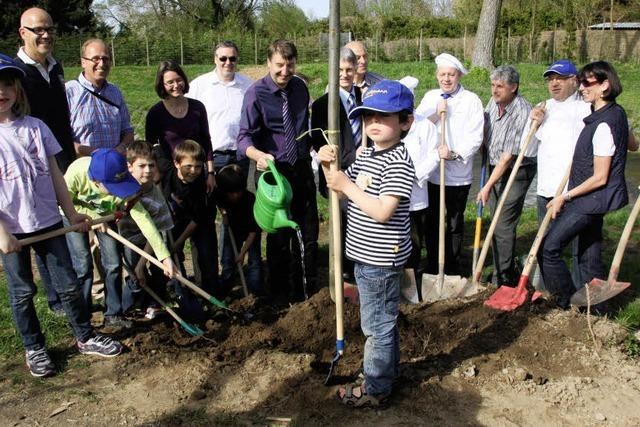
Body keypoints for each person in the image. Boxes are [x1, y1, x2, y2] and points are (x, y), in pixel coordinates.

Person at [0, 55, 122, 377]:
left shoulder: (36, 128)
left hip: (49, 222)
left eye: (7, 84)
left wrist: (71, 214)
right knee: (22, 291)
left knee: (68, 285)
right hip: (12, 229)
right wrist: (2, 234)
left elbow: (55, 175)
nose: (2, 91)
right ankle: (34, 347)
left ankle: (84, 335)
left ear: (17, 89)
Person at [317, 80, 415, 407]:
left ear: (405, 122)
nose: (373, 123)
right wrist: (328, 163)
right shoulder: (369, 155)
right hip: (365, 257)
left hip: (381, 259)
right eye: (368, 116)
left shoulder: (398, 162)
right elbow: (339, 186)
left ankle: (375, 389)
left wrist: (346, 183)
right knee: (381, 321)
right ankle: (385, 374)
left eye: (383, 117)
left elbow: (383, 211)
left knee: (377, 326)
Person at [538, 61, 629, 309]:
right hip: (597, 199)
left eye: (588, 82)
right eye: (581, 81)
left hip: (589, 201)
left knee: (549, 248)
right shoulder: (616, 113)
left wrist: (564, 197)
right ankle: (598, 312)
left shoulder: (602, 124)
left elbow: (600, 176)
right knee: (590, 260)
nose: (582, 87)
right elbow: (632, 143)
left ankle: (567, 303)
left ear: (605, 85)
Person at [237, 40, 318, 302]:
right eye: (280, 65)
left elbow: (304, 127)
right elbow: (243, 138)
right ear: (269, 63)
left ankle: (308, 295)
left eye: (290, 65)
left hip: (301, 169)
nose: (285, 71)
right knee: (279, 240)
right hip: (274, 174)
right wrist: (258, 155)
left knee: (308, 235)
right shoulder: (255, 94)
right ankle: (280, 299)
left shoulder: (300, 89)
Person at [64, 149, 176, 328]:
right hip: (74, 218)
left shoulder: (122, 179)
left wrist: (165, 257)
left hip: (106, 218)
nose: (120, 192)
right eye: (115, 189)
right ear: (96, 181)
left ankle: (113, 313)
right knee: (83, 265)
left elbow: (145, 221)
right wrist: (89, 216)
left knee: (113, 262)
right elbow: (63, 204)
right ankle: (81, 317)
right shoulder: (76, 174)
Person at [15, 7, 77, 315]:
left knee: (57, 225)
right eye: (38, 29)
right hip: (28, 167)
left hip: (59, 156)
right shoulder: (15, 72)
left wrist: (68, 155)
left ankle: (66, 294)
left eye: (49, 29)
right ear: (22, 32)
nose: (46, 35)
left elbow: (61, 118)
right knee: (35, 230)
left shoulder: (56, 67)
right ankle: (53, 299)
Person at [414, 53, 484, 276]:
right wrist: (436, 113)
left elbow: (475, 137)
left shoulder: (471, 100)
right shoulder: (430, 97)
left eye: (451, 75)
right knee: (432, 221)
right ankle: (434, 263)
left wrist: (453, 153)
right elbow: (417, 126)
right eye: (443, 74)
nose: (446, 79)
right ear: (437, 76)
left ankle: (452, 266)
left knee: (454, 222)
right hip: (433, 173)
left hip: (457, 174)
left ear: (459, 76)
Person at [525, 60, 592, 290]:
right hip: (546, 189)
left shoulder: (586, 108)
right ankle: (551, 291)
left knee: (578, 248)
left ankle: (579, 294)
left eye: (560, 79)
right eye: (550, 79)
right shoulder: (544, 107)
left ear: (574, 80)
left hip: (574, 190)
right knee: (546, 245)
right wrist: (533, 122)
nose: (554, 83)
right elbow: (529, 149)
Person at [477, 65, 534, 286]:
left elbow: (508, 157)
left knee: (503, 223)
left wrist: (487, 185)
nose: (494, 90)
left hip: (517, 170)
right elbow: (485, 125)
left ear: (514, 87)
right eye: (492, 85)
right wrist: (482, 142)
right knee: (494, 221)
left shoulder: (522, 112)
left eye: (500, 86)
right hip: (493, 164)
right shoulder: (494, 101)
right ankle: (499, 266)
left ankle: (504, 277)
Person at [310, 47, 362, 280]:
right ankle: (343, 270)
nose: (344, 74)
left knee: (361, 221)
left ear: (356, 70)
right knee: (342, 223)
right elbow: (317, 140)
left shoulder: (364, 98)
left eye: (348, 70)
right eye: (339, 70)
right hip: (338, 171)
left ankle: (359, 265)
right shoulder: (323, 105)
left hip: (364, 172)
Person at [159, 140, 220, 314]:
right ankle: (181, 293)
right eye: (188, 166)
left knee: (206, 254)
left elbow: (196, 219)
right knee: (173, 255)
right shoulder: (166, 174)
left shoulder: (200, 186)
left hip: (199, 218)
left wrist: (179, 241)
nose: (193, 171)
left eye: (198, 167)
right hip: (175, 219)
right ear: (176, 163)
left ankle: (209, 294)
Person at [119, 141, 174, 319]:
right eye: (142, 166)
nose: (148, 170)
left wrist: (143, 264)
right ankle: (127, 308)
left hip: (150, 241)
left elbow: (156, 236)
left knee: (158, 270)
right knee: (135, 278)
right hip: (125, 239)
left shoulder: (157, 198)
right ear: (130, 167)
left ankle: (155, 303)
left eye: (151, 165)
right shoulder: (118, 189)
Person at [146, 60, 215, 193]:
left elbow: (206, 141)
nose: (176, 85)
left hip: (196, 172)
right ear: (162, 85)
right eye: (170, 82)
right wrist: (156, 178)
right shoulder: (155, 113)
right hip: (170, 176)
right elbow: (151, 148)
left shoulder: (198, 108)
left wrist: (211, 173)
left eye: (179, 80)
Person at [186, 41, 253, 174]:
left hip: (240, 156)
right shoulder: (199, 85)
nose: (228, 62)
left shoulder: (248, 85)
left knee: (238, 194)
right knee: (211, 194)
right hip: (212, 156)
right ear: (215, 59)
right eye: (223, 58)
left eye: (232, 58)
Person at [66, 39, 133, 156]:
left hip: (114, 167)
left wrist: (120, 148)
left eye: (105, 59)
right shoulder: (69, 92)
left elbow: (127, 131)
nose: (101, 64)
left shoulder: (115, 92)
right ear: (83, 62)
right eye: (95, 59)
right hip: (83, 168)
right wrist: (97, 154)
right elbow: (60, 139)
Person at [215, 164, 263, 295]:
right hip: (232, 227)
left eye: (238, 191)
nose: (235, 195)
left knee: (254, 262)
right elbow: (217, 201)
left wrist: (242, 254)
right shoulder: (221, 193)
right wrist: (223, 213)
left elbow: (253, 232)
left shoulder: (250, 200)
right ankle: (225, 290)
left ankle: (255, 293)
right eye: (231, 193)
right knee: (227, 259)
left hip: (251, 232)